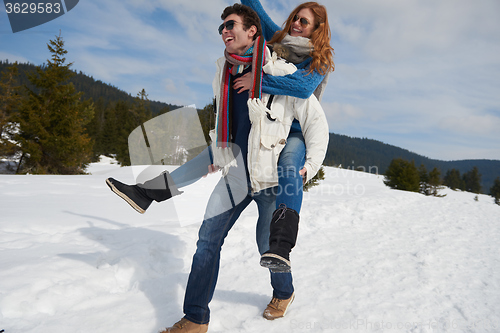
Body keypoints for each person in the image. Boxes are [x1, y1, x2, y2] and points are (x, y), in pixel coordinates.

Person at [237, 0, 335, 272]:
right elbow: (255, 9)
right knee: (260, 228)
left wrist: (255, 81)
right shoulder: (279, 39)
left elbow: (301, 88)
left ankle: (282, 245)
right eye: (295, 17)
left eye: (304, 22)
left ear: (317, 29)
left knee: (289, 165)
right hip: (267, 126)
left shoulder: (320, 59)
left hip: (295, 130)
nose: (296, 24)